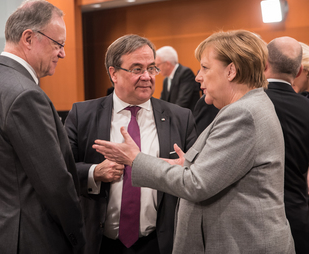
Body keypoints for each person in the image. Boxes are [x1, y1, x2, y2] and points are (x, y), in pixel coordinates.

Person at [93, 30, 295, 254]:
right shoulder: (245, 107)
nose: (198, 77)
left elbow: (196, 184)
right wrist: (185, 166)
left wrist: (135, 159)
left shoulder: (242, 114)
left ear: (231, 71)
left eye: (205, 68)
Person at [0, 0, 85, 253]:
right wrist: (79, 238)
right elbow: (56, 185)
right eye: (58, 44)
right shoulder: (25, 94)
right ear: (29, 38)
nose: (62, 53)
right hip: (28, 240)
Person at [64, 34, 197, 254]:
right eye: (137, 69)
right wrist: (95, 172)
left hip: (160, 242)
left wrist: (182, 168)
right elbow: (62, 168)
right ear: (113, 73)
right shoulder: (83, 115)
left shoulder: (180, 118)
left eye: (151, 68)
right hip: (100, 243)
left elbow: (197, 176)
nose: (147, 76)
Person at [264, 36, 309, 254]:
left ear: (264, 63)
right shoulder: (306, 108)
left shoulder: (247, 104)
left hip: (259, 218)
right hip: (298, 212)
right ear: (299, 71)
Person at [156, 46, 200, 110]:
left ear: (167, 64)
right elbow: (162, 101)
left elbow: (183, 102)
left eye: (158, 65)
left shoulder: (185, 73)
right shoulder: (166, 80)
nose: (157, 69)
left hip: (187, 118)